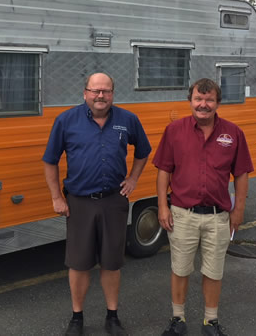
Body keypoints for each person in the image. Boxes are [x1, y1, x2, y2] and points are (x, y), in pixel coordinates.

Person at [43, 72, 151, 336]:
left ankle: (112, 317)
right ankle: (77, 318)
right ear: (85, 93)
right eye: (95, 91)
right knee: (79, 264)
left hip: (114, 201)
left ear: (113, 93)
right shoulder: (66, 121)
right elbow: (50, 160)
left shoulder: (128, 120)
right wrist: (57, 197)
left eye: (106, 90)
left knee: (111, 263)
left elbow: (143, 151)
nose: (100, 95)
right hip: (79, 203)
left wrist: (133, 179)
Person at [153, 78, 254, 336]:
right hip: (182, 214)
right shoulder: (174, 131)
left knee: (213, 270)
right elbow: (164, 170)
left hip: (217, 216)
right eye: (198, 99)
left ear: (218, 103)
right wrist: (162, 207)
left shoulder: (233, 133)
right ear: (190, 101)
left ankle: (211, 321)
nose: (203, 105)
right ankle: (178, 319)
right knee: (180, 268)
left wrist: (238, 209)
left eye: (209, 100)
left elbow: (241, 173)